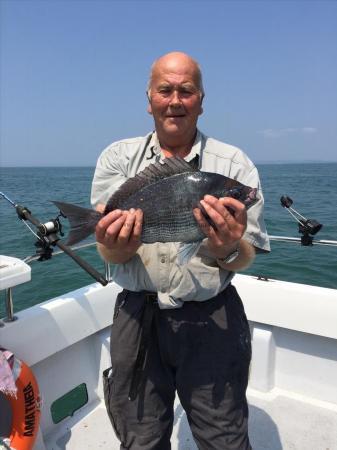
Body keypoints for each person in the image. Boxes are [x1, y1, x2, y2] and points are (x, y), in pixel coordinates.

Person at [91, 51, 270, 450]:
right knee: (140, 438)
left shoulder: (234, 164)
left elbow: (246, 256)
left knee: (224, 436)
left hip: (212, 318)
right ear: (150, 98)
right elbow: (112, 254)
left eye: (186, 91)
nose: (175, 101)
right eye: (165, 90)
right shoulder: (118, 159)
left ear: (201, 100)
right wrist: (116, 243)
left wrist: (226, 247)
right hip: (137, 317)